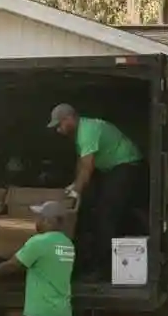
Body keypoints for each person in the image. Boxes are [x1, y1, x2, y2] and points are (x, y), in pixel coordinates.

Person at [47, 103, 143, 279]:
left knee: (106, 214)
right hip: (110, 168)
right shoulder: (79, 134)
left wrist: (77, 191)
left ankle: (103, 269)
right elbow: (81, 162)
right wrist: (75, 185)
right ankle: (92, 260)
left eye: (60, 125)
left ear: (70, 118)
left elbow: (87, 166)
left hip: (126, 165)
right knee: (95, 210)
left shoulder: (88, 131)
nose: (59, 130)